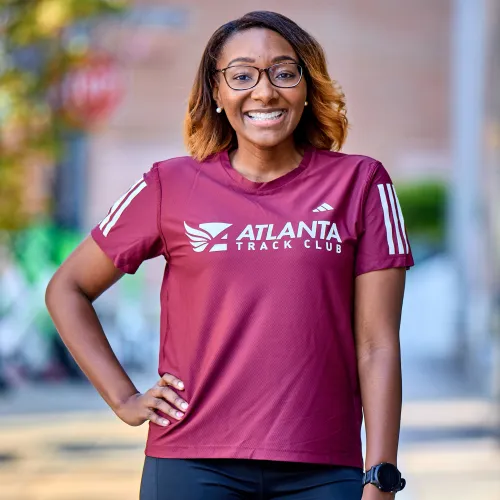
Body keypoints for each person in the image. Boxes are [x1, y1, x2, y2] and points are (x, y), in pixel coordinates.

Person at [45, 11, 414, 500]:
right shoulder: (168, 184)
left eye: (284, 72)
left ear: (307, 86)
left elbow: (378, 346)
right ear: (216, 94)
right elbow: (66, 289)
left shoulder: (362, 183)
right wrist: (124, 398)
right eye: (241, 76)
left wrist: (380, 477)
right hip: (191, 463)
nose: (264, 92)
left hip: (322, 468)